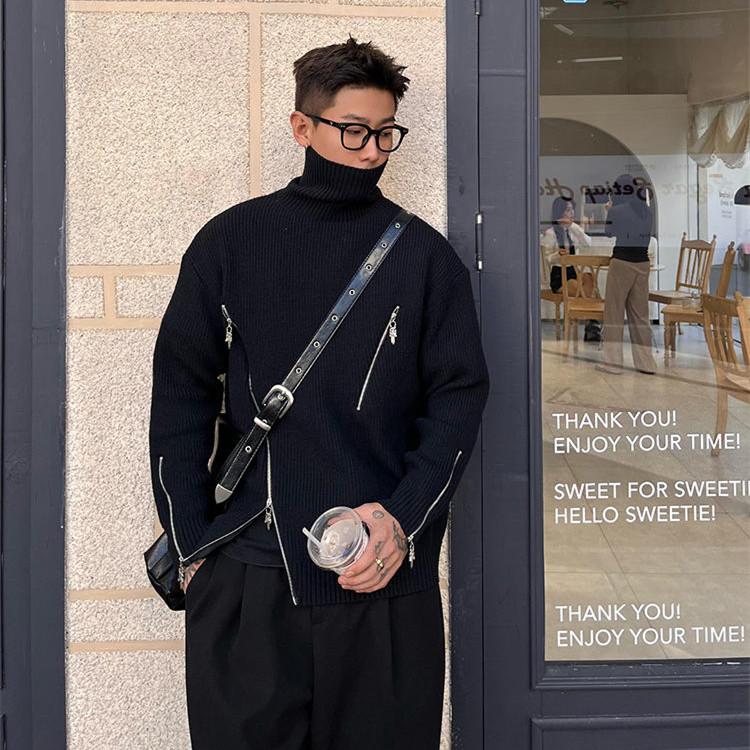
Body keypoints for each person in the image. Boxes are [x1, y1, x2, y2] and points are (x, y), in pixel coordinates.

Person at [148, 37, 489, 750]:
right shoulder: (232, 241)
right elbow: (181, 391)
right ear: (302, 127)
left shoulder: (424, 257)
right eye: (354, 131)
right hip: (248, 577)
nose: (373, 151)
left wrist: (403, 520)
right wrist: (192, 541)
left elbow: (457, 399)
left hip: (381, 579)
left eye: (386, 133)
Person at [598, 173, 657, 374]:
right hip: (642, 265)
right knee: (641, 316)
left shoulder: (617, 210)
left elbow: (609, 233)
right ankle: (646, 364)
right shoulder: (647, 212)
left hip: (622, 263)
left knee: (614, 314)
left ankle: (613, 364)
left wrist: (609, 211)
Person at [541, 196, 600, 341]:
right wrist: (558, 255)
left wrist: (572, 225)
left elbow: (588, 243)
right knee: (583, 289)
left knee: (590, 278)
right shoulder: (550, 233)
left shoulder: (573, 231)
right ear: (560, 211)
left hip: (574, 272)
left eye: (572, 209)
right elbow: (547, 259)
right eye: (568, 210)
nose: (572, 212)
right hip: (559, 275)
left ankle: (591, 323)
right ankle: (592, 324)